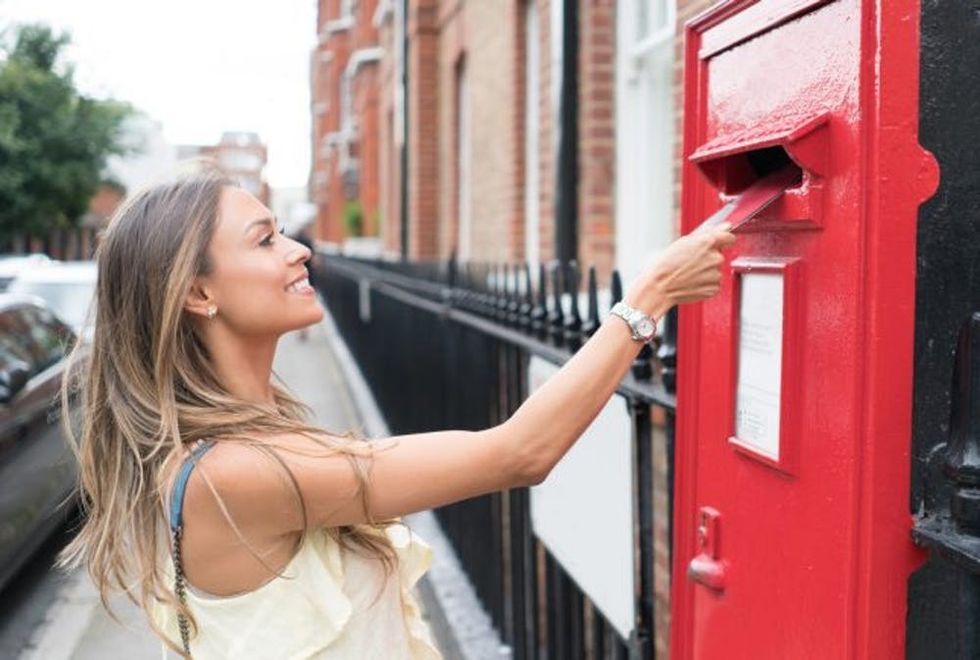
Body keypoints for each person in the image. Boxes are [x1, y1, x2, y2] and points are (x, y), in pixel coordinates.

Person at [58, 170, 735, 659]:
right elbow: (519, 452)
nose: (300, 250)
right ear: (199, 292)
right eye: (265, 241)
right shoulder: (231, 473)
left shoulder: (261, 436)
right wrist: (648, 297)